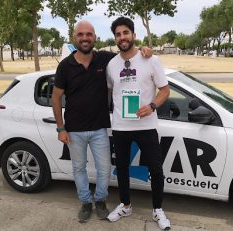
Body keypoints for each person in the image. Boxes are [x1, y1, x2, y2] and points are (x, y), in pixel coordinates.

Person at [52, 20, 152, 223]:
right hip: (74, 130)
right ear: (75, 38)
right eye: (81, 34)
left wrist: (143, 49)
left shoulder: (105, 59)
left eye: (89, 34)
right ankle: (85, 203)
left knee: (104, 168)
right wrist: (60, 127)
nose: (85, 38)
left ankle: (100, 200)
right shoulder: (65, 66)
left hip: (99, 128)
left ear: (95, 37)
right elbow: (55, 98)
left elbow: (127, 53)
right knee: (78, 168)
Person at [106, 17, 171, 230]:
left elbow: (165, 90)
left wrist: (152, 106)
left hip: (147, 126)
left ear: (133, 35)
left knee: (156, 169)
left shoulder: (151, 60)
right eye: (118, 34)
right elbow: (110, 91)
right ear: (115, 38)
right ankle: (125, 205)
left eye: (125, 32)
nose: (122, 37)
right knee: (122, 168)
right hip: (121, 126)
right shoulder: (111, 65)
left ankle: (158, 210)